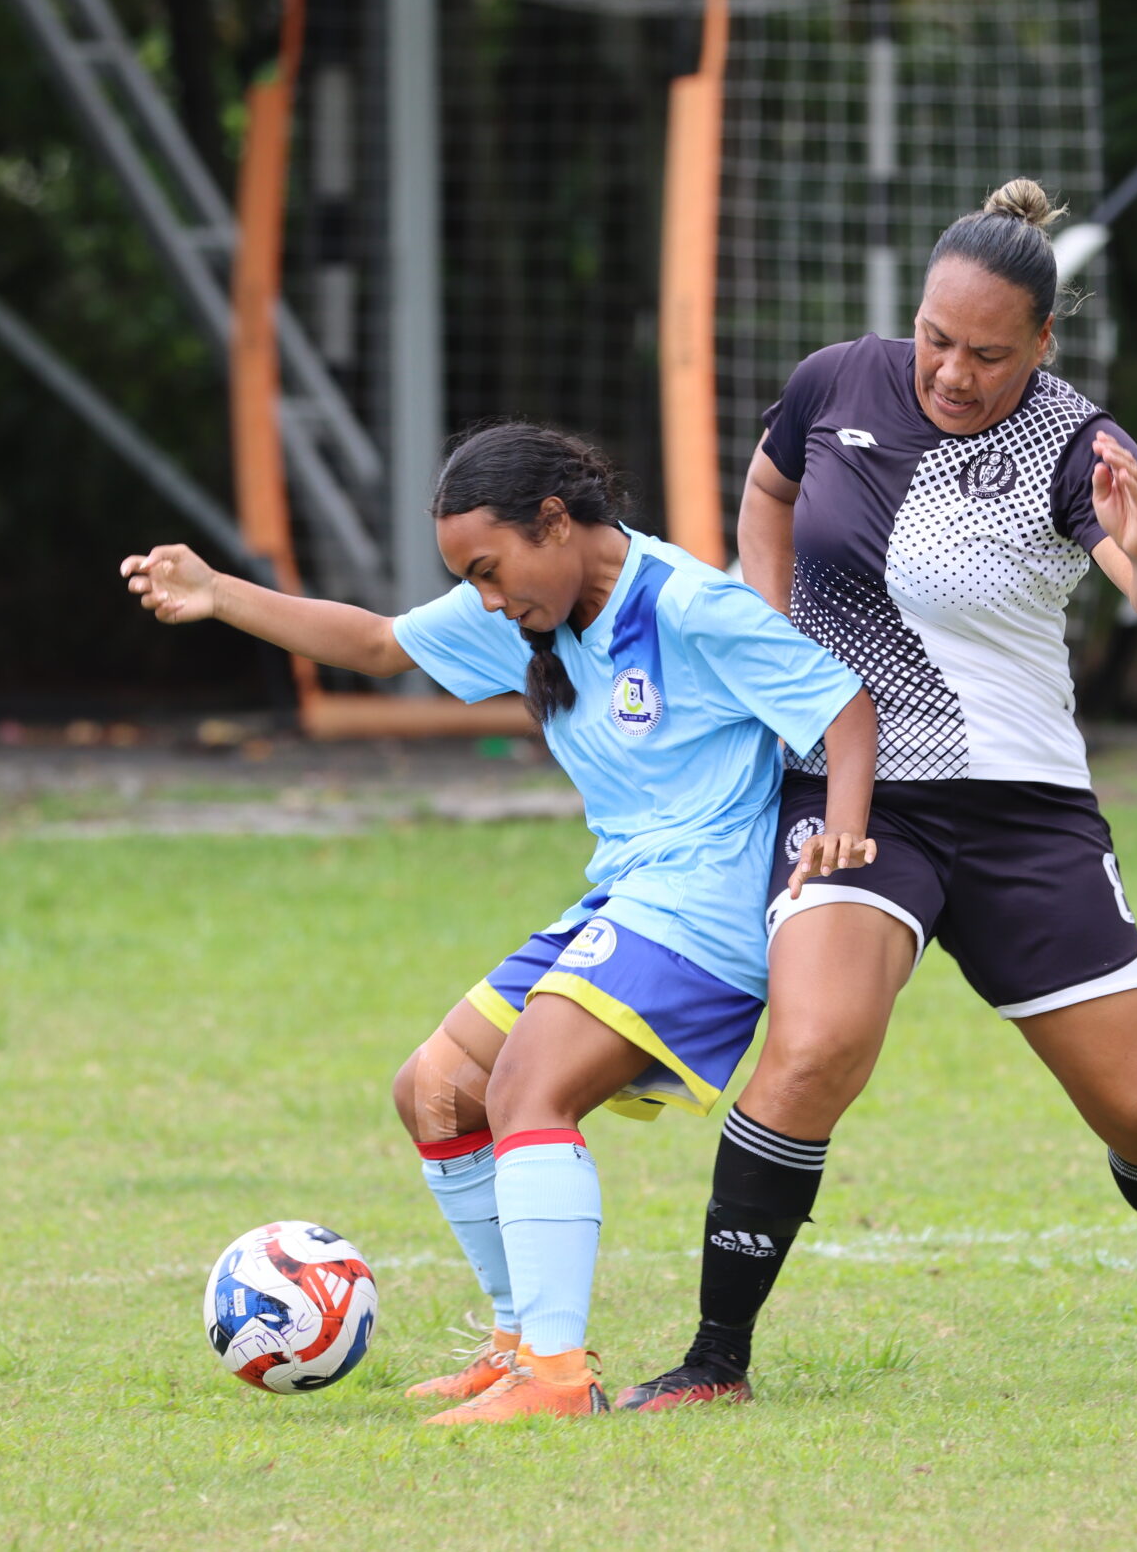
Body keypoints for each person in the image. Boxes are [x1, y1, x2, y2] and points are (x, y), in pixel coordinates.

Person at [618, 181, 1137, 1411]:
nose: (954, 372)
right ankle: (715, 1361)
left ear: (1041, 345)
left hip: (1023, 811)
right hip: (855, 789)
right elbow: (768, 486)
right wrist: (769, 636)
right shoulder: (834, 384)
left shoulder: (1075, 445)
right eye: (936, 339)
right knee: (812, 1050)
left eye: (988, 353)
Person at [120, 424, 878, 1424]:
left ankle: (558, 1381)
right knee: (435, 1089)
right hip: (624, 894)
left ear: (555, 523)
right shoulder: (527, 613)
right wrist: (222, 593)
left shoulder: (689, 605)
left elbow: (841, 703)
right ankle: (520, 1343)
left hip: (703, 909)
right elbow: (378, 644)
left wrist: (847, 834)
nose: (483, 596)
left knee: (527, 1082)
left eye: (488, 569)